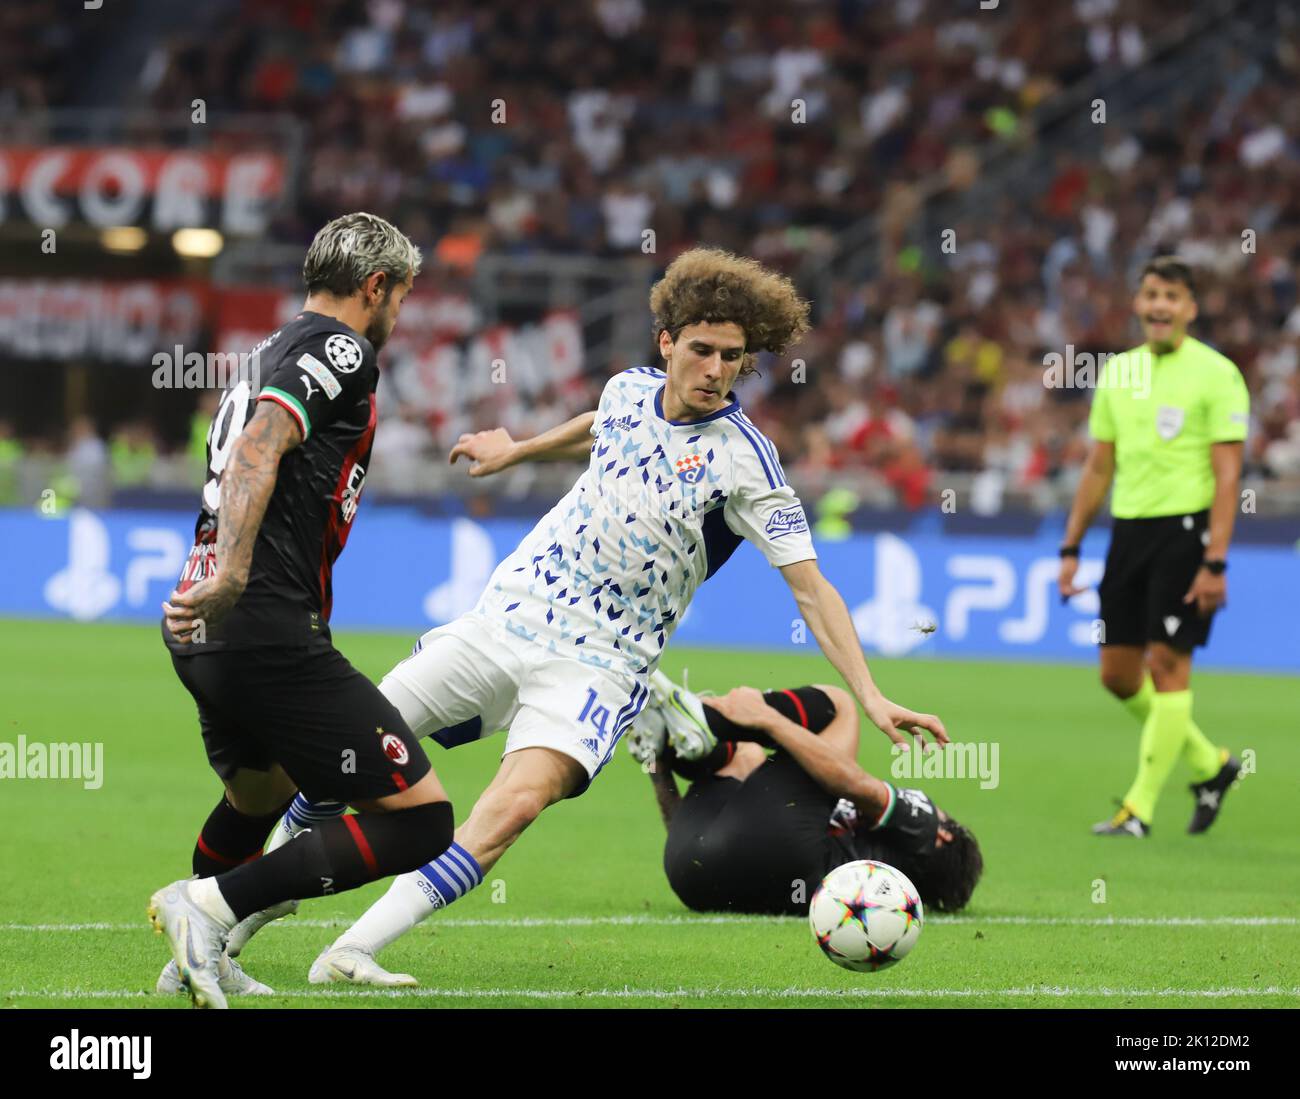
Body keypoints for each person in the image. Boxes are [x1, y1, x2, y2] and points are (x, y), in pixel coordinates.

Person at [254, 247, 948, 987]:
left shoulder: (747, 462)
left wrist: (869, 692)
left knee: (514, 805)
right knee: (351, 755)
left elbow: (812, 589)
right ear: (668, 344)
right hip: (511, 614)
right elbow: (599, 426)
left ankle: (351, 950)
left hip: (601, 666)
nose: (716, 369)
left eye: (734, 358)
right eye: (703, 350)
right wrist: (517, 450)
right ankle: (236, 912)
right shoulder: (628, 390)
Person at [147, 213, 457, 1009]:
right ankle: (206, 906)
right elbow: (258, 449)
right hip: (259, 619)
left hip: (202, 626)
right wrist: (237, 575)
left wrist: (215, 581)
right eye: (400, 296)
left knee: (261, 791)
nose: (397, 316)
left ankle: (195, 953)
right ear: (376, 286)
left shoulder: (267, 352)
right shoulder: (342, 348)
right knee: (422, 821)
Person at [1058, 256, 1247, 838]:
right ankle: (1212, 766)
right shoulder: (1118, 373)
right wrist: (1070, 548)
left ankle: (1137, 809)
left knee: (1166, 665)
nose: (1160, 306)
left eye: (1172, 296)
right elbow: (1098, 466)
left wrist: (1215, 560)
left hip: (1186, 533)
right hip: (1128, 532)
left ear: (1191, 307)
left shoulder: (1217, 374)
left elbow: (1227, 476)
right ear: (1138, 305)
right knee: (1117, 675)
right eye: (1151, 295)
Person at [632, 671, 982, 916]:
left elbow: (854, 785)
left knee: (841, 707)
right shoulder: (892, 877)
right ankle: (662, 741)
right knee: (747, 757)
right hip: (690, 875)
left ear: (945, 836)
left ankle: (708, 718)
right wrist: (656, 769)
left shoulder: (927, 829)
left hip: (790, 849)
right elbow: (700, 839)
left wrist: (767, 719)